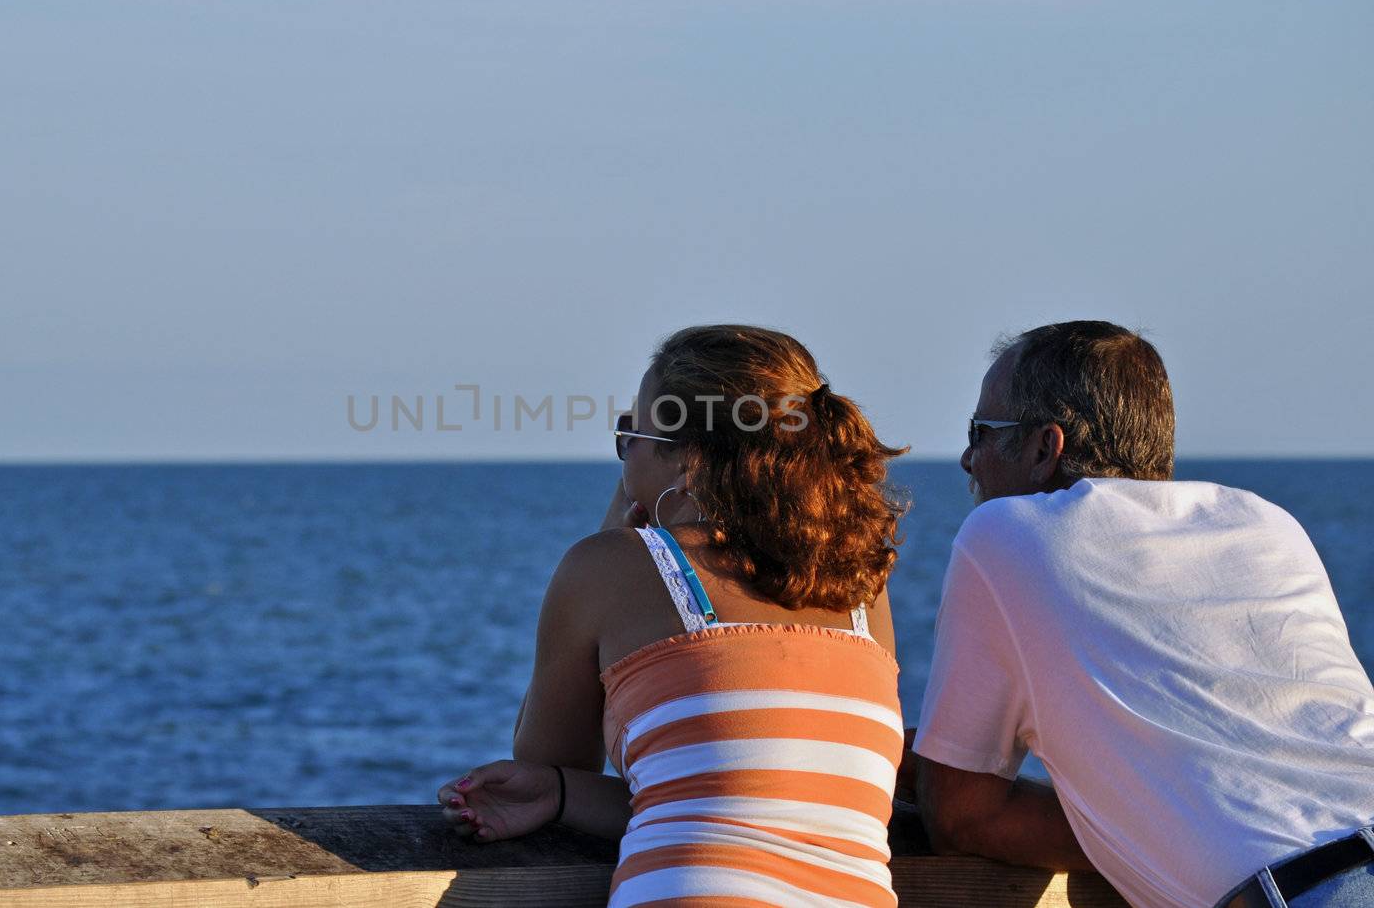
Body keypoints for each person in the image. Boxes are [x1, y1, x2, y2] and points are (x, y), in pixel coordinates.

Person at [438, 324, 908, 907]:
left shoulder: (609, 566)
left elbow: (548, 755)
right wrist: (560, 794)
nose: (622, 454)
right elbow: (753, 805)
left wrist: (614, 530)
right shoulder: (860, 588)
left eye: (628, 433)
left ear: (690, 457)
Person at [912, 320, 1374, 908]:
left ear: (1042, 448)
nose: (966, 458)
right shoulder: (1267, 522)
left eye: (981, 432)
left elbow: (964, 817)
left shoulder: (1006, 534)